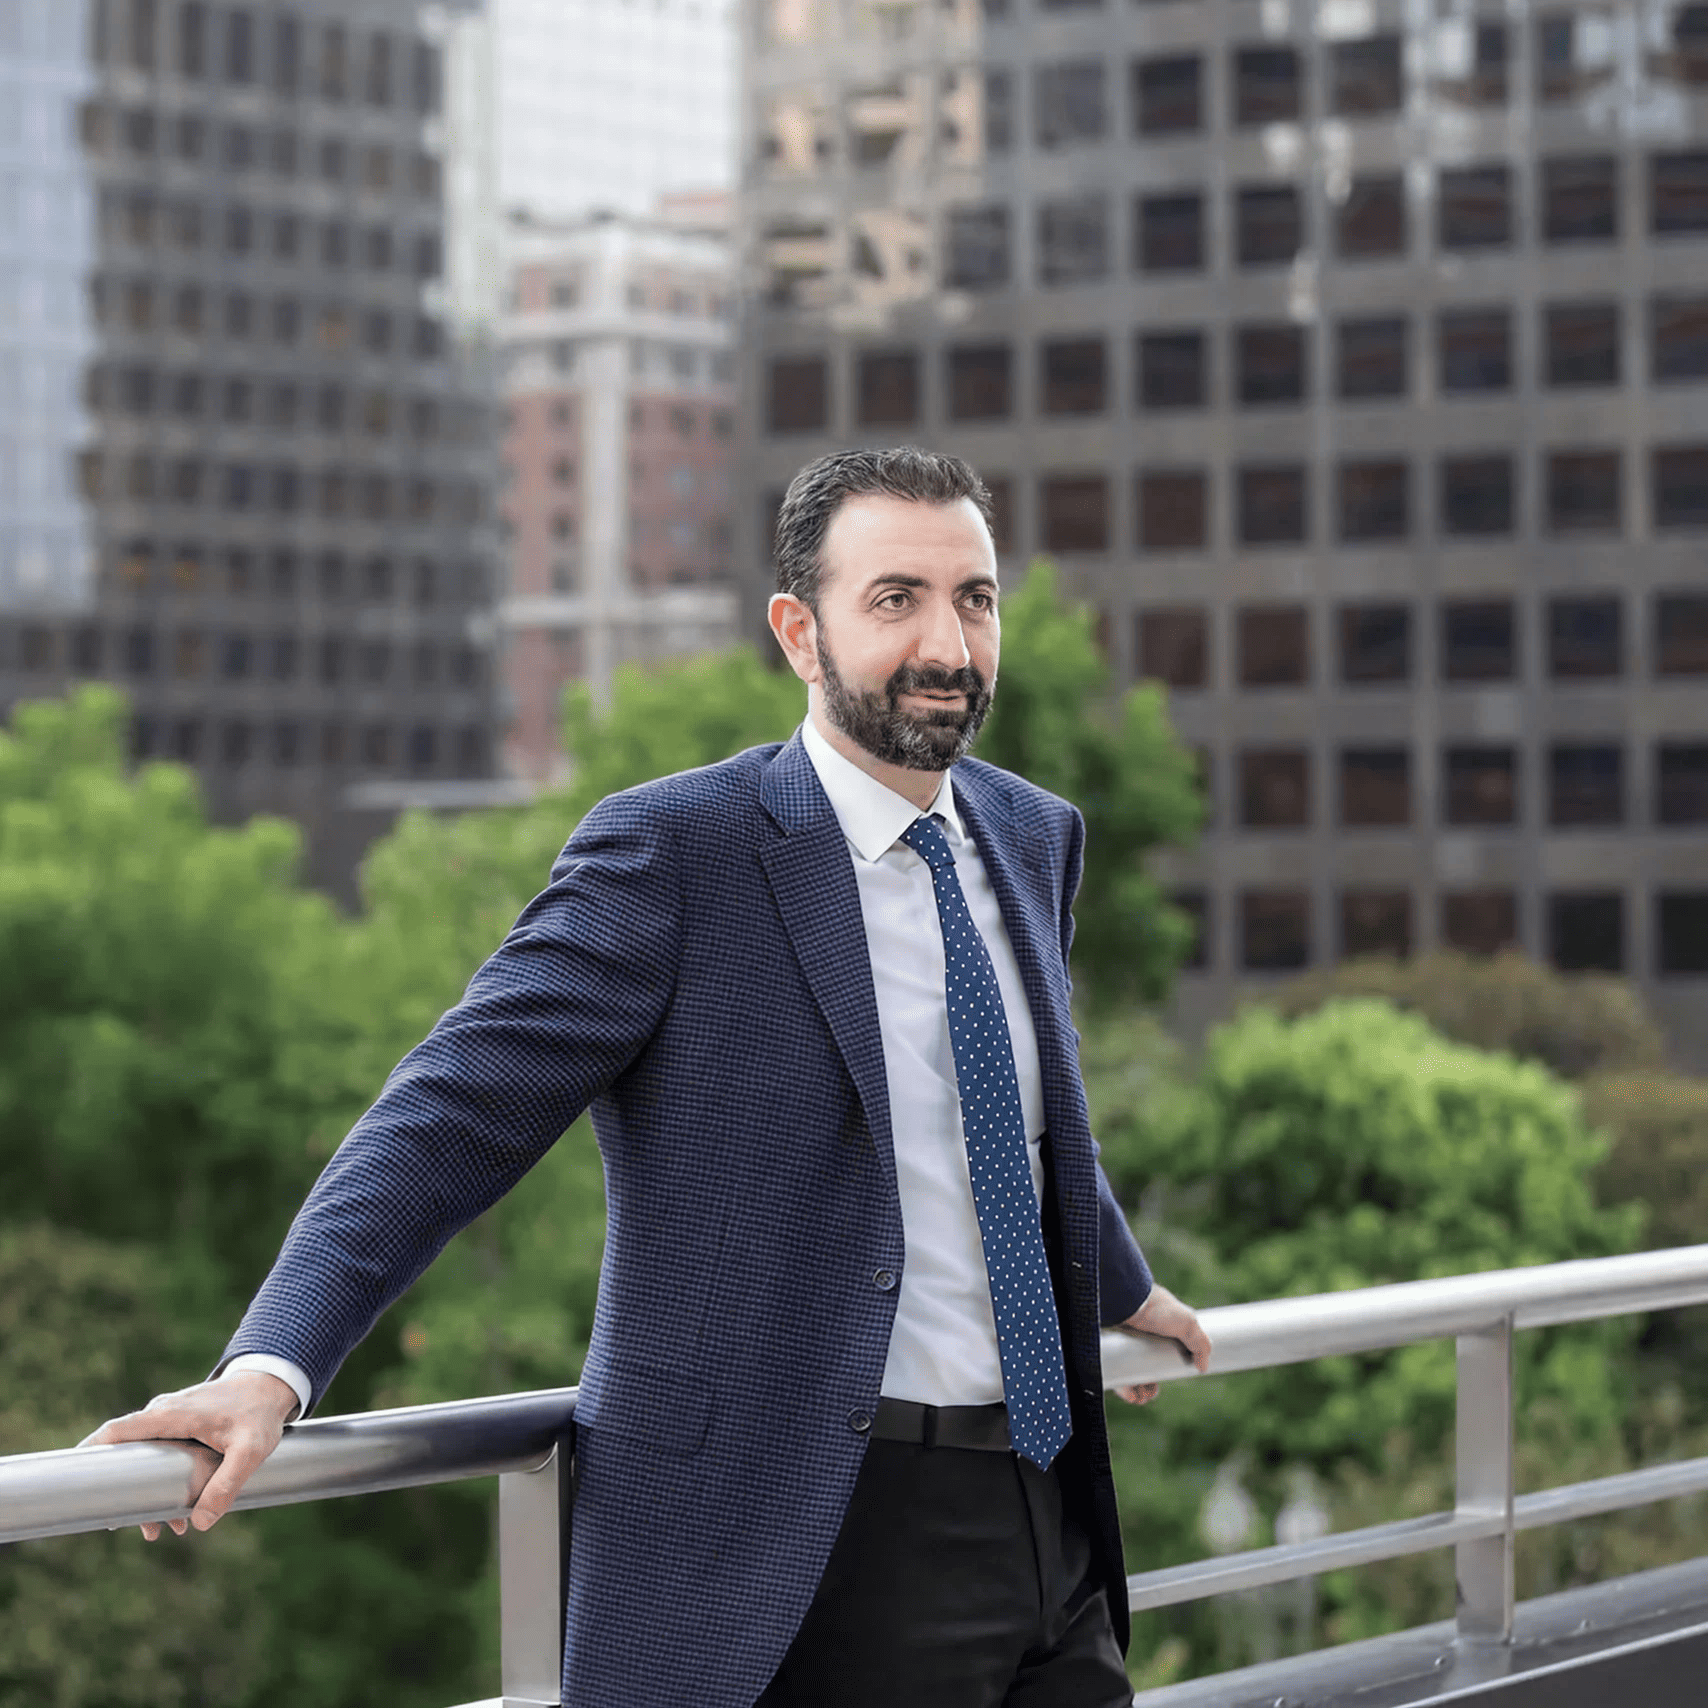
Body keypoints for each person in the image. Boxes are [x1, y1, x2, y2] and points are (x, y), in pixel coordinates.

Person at [89, 447, 1211, 1707]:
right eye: (895, 599)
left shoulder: (1027, 831)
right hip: (812, 1536)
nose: (949, 643)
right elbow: (447, 1113)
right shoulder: (680, 850)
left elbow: (1008, 1108)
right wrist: (269, 1366)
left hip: (1047, 1512)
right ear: (800, 630)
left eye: (976, 598)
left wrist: (1118, 1278)